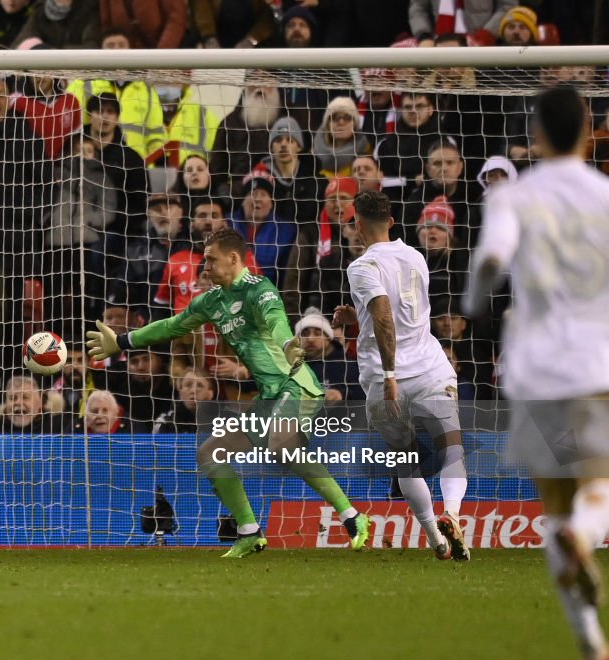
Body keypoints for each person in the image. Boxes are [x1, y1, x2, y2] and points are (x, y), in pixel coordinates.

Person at [86, 227, 370, 557]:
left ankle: (352, 518)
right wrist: (122, 341)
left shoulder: (259, 289)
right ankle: (249, 531)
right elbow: (171, 326)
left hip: (296, 384)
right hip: (269, 395)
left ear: (233, 258)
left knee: (280, 443)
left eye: (210, 260)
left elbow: (276, 320)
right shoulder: (211, 301)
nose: (204, 267)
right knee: (210, 453)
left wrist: (288, 343)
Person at [463, 85, 609, 660]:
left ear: (537, 135)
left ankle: (591, 641)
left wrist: (475, 302)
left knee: (552, 503)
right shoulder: (605, 196)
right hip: (595, 367)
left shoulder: (513, 198)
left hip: (534, 372)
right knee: (597, 487)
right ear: (590, 126)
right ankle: (587, 530)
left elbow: (493, 259)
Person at [333, 189, 469, 561]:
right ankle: (453, 515)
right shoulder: (417, 257)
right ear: (391, 222)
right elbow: (400, 311)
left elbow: (384, 314)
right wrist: (356, 316)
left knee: (404, 458)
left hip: (385, 378)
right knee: (451, 448)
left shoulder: (361, 267)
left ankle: (435, 540)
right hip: (430, 368)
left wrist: (391, 373)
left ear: (357, 225)